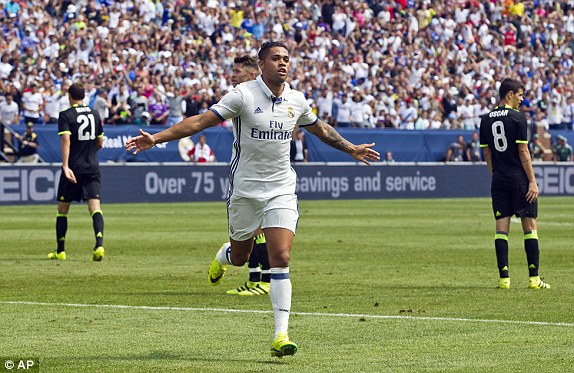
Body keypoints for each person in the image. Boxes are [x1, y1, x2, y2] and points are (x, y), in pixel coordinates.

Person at [125, 41, 380, 357]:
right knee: (242, 256)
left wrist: (351, 147)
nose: (282, 63)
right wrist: (157, 138)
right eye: (276, 58)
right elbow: (199, 122)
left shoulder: (296, 100)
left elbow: (321, 130)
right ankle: (223, 256)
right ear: (262, 64)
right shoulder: (243, 95)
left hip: (281, 189)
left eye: (286, 59)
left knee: (281, 257)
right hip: (245, 192)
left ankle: (280, 335)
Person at [479, 78, 550, 290]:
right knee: (530, 227)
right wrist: (532, 181)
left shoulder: (485, 119)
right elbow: (523, 152)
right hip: (518, 179)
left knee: (501, 228)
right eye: (519, 95)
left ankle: (504, 279)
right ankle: (534, 279)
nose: (522, 99)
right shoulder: (518, 118)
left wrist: (495, 174)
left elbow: (487, 153)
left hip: (498, 179)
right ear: (509, 94)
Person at [225, 54, 272, 297]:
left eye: (236, 71)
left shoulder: (257, 96)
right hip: (251, 172)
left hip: (261, 175)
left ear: (251, 74)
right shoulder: (241, 96)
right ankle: (255, 279)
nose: (232, 75)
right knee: (252, 230)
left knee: (258, 230)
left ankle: (264, 280)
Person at [48, 82, 105, 262]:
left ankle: (61, 251)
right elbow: (100, 143)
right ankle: (99, 245)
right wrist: (89, 154)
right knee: (95, 207)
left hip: (73, 167)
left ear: (69, 96)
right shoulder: (95, 114)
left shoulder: (66, 115)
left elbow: (66, 140)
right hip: (91, 166)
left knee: (63, 209)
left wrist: (65, 166)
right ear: (84, 95)